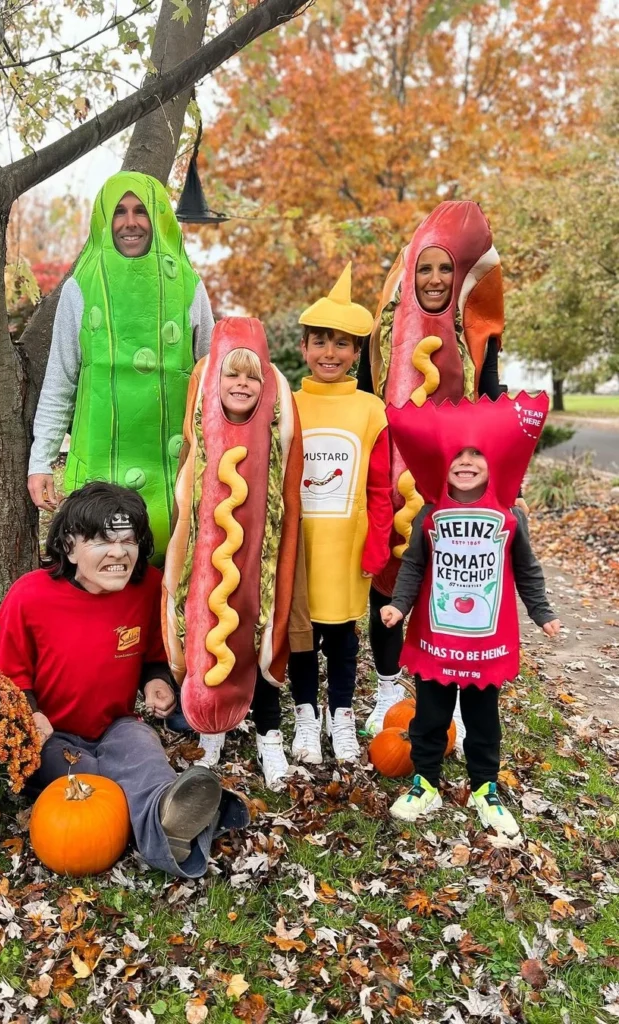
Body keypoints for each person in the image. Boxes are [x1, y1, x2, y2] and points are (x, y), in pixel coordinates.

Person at [0, 481, 248, 877]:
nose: (119, 553)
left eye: (129, 541)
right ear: (69, 546)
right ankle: (181, 820)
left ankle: (167, 807)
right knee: (91, 789)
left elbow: (155, 659)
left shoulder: (147, 589)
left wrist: (156, 683)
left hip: (117, 725)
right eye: (103, 541)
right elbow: (6, 676)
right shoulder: (29, 596)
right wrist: (31, 714)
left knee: (143, 751)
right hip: (51, 734)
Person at [358, 201, 509, 746]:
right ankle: (388, 689)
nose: (436, 278)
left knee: (453, 584)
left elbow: (493, 398)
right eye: (426, 268)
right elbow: (361, 397)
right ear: (410, 272)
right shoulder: (382, 334)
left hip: (455, 482)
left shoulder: (476, 335)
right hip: (390, 478)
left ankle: (457, 691)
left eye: (446, 268)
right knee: (389, 580)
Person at [380, 394, 560, 839]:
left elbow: (527, 570)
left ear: (492, 461)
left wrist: (543, 613)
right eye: (457, 455)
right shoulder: (429, 515)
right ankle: (426, 783)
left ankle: (485, 787)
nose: (465, 462)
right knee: (429, 716)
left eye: (475, 454)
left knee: (483, 718)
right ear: (444, 464)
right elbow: (416, 567)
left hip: (486, 640)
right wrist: (398, 605)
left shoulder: (510, 516)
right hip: (435, 638)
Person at [27, 172, 214, 563]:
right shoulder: (81, 287)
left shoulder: (189, 286)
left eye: (141, 211)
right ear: (104, 220)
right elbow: (61, 381)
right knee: (100, 567)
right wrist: (40, 463)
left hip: (172, 467)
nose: (130, 222)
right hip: (98, 464)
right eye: (120, 211)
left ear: (159, 217)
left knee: (169, 575)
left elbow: (210, 380)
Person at [162, 319, 312, 790]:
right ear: (215, 382)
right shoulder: (203, 424)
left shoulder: (278, 426)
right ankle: (213, 733)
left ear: (265, 385)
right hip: (207, 565)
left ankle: (268, 734)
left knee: (261, 635)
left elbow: (289, 491)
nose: (242, 384)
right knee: (208, 634)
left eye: (252, 376)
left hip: (260, 567)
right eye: (232, 374)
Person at [288, 264, 393, 764]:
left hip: (346, 550)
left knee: (343, 642)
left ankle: (343, 714)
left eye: (342, 344)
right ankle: (307, 715)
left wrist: (377, 542)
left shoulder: (371, 410)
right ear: (304, 348)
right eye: (320, 343)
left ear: (356, 352)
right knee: (303, 639)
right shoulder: (286, 406)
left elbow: (378, 485)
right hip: (300, 550)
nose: (330, 354)